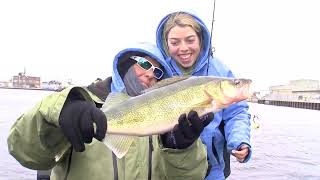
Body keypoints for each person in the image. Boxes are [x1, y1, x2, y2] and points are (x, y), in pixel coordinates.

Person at [7, 42, 213, 180]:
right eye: (144, 63)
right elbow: (25, 153)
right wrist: (55, 115)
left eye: (158, 72)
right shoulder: (78, 101)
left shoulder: (171, 123)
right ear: (124, 62)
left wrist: (181, 150)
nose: (150, 74)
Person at [155, 11, 252, 179]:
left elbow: (236, 113)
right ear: (166, 44)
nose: (183, 48)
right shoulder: (159, 72)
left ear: (201, 39)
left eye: (190, 40)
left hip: (212, 167)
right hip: (170, 166)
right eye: (175, 42)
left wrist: (240, 141)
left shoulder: (220, 70)